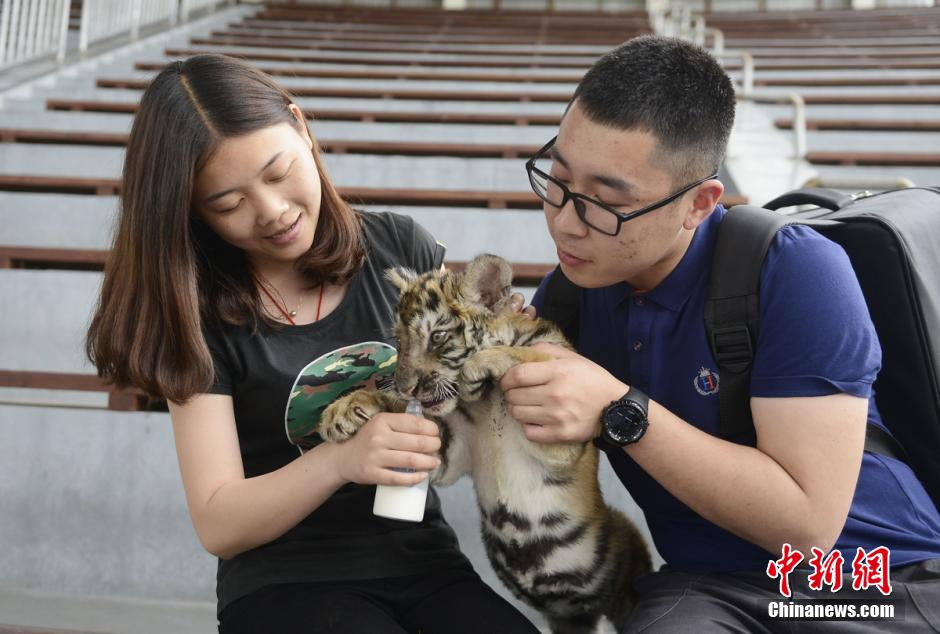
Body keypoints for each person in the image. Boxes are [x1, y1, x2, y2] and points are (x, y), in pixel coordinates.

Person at [85, 54, 540, 634]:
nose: (272, 213)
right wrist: (342, 459)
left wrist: (506, 347)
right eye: (228, 204)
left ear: (302, 126)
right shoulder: (195, 310)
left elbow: (463, 395)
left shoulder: (400, 246)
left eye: (278, 173)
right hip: (284, 583)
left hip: (423, 561)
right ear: (192, 213)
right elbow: (218, 521)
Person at [502, 35, 940, 632]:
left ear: (699, 203)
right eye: (556, 181)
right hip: (709, 585)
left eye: (604, 204)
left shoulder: (797, 271)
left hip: (875, 578)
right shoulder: (571, 296)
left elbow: (807, 529)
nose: (564, 223)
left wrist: (617, 407)